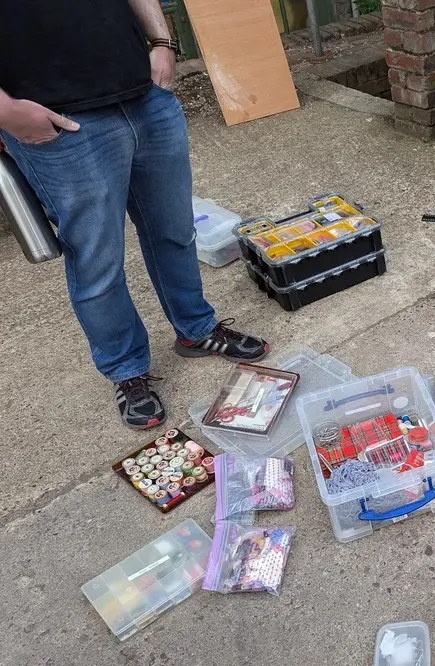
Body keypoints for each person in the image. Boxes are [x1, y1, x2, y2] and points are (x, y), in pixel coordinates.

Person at [0, 0, 268, 429]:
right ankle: (126, 370)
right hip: (57, 122)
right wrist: (5, 110)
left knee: (176, 232)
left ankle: (196, 329)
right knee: (97, 262)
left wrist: (163, 43)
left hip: (146, 97)